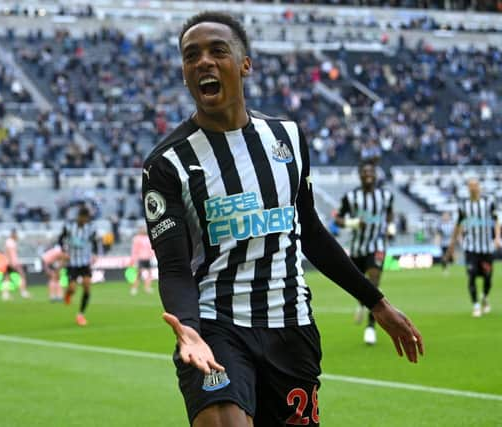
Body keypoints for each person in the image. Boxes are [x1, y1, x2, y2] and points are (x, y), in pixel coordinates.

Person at [141, 12, 423, 427]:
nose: (203, 61)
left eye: (217, 51)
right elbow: (174, 266)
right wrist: (188, 327)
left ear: (244, 64)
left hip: (291, 326)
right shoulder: (167, 163)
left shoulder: (287, 138)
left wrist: (376, 302)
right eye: (191, 56)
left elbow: (310, 231)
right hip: (216, 327)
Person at [335, 161, 394, 344]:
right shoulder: (351, 197)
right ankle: (361, 302)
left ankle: (370, 327)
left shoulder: (385, 195)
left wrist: (390, 228)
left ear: (375, 175)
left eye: (371, 172)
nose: (368, 174)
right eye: (364, 172)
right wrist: (353, 223)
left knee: (374, 283)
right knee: (359, 286)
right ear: (360, 175)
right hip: (357, 247)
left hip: (376, 245)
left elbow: (389, 213)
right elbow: (338, 219)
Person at [446, 178, 501, 317]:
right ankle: (476, 305)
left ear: (479, 187)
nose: (473, 188)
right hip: (471, 247)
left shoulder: (488, 203)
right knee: (471, 275)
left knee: (488, 279)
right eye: (470, 186)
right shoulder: (464, 205)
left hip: (486, 248)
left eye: (475, 185)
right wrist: (452, 244)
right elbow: (458, 225)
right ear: (467, 188)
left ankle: (485, 297)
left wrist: (497, 238)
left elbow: (496, 221)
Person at [62, 207, 99, 326]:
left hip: (85, 262)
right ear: (79, 217)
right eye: (83, 218)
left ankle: (80, 315)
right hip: (72, 262)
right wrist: (63, 252)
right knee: (72, 288)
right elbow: (60, 239)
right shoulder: (69, 227)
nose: (84, 220)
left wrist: (94, 254)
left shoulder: (90, 228)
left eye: (86, 218)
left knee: (87, 286)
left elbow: (94, 242)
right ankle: (68, 293)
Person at [2, 229, 31, 300]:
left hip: (8, 262)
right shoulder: (10, 242)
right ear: (13, 234)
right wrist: (13, 263)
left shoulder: (9, 242)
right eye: (16, 234)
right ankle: (23, 292)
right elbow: (10, 253)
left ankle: (5, 294)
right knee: (22, 275)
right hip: (12, 263)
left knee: (7, 278)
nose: (17, 236)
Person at [129, 226, 155, 296]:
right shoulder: (137, 238)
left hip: (147, 258)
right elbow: (134, 250)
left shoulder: (148, 238)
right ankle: (134, 288)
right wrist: (133, 259)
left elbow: (151, 248)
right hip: (140, 258)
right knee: (138, 274)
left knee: (149, 273)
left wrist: (152, 255)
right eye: (142, 229)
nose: (143, 230)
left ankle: (147, 287)